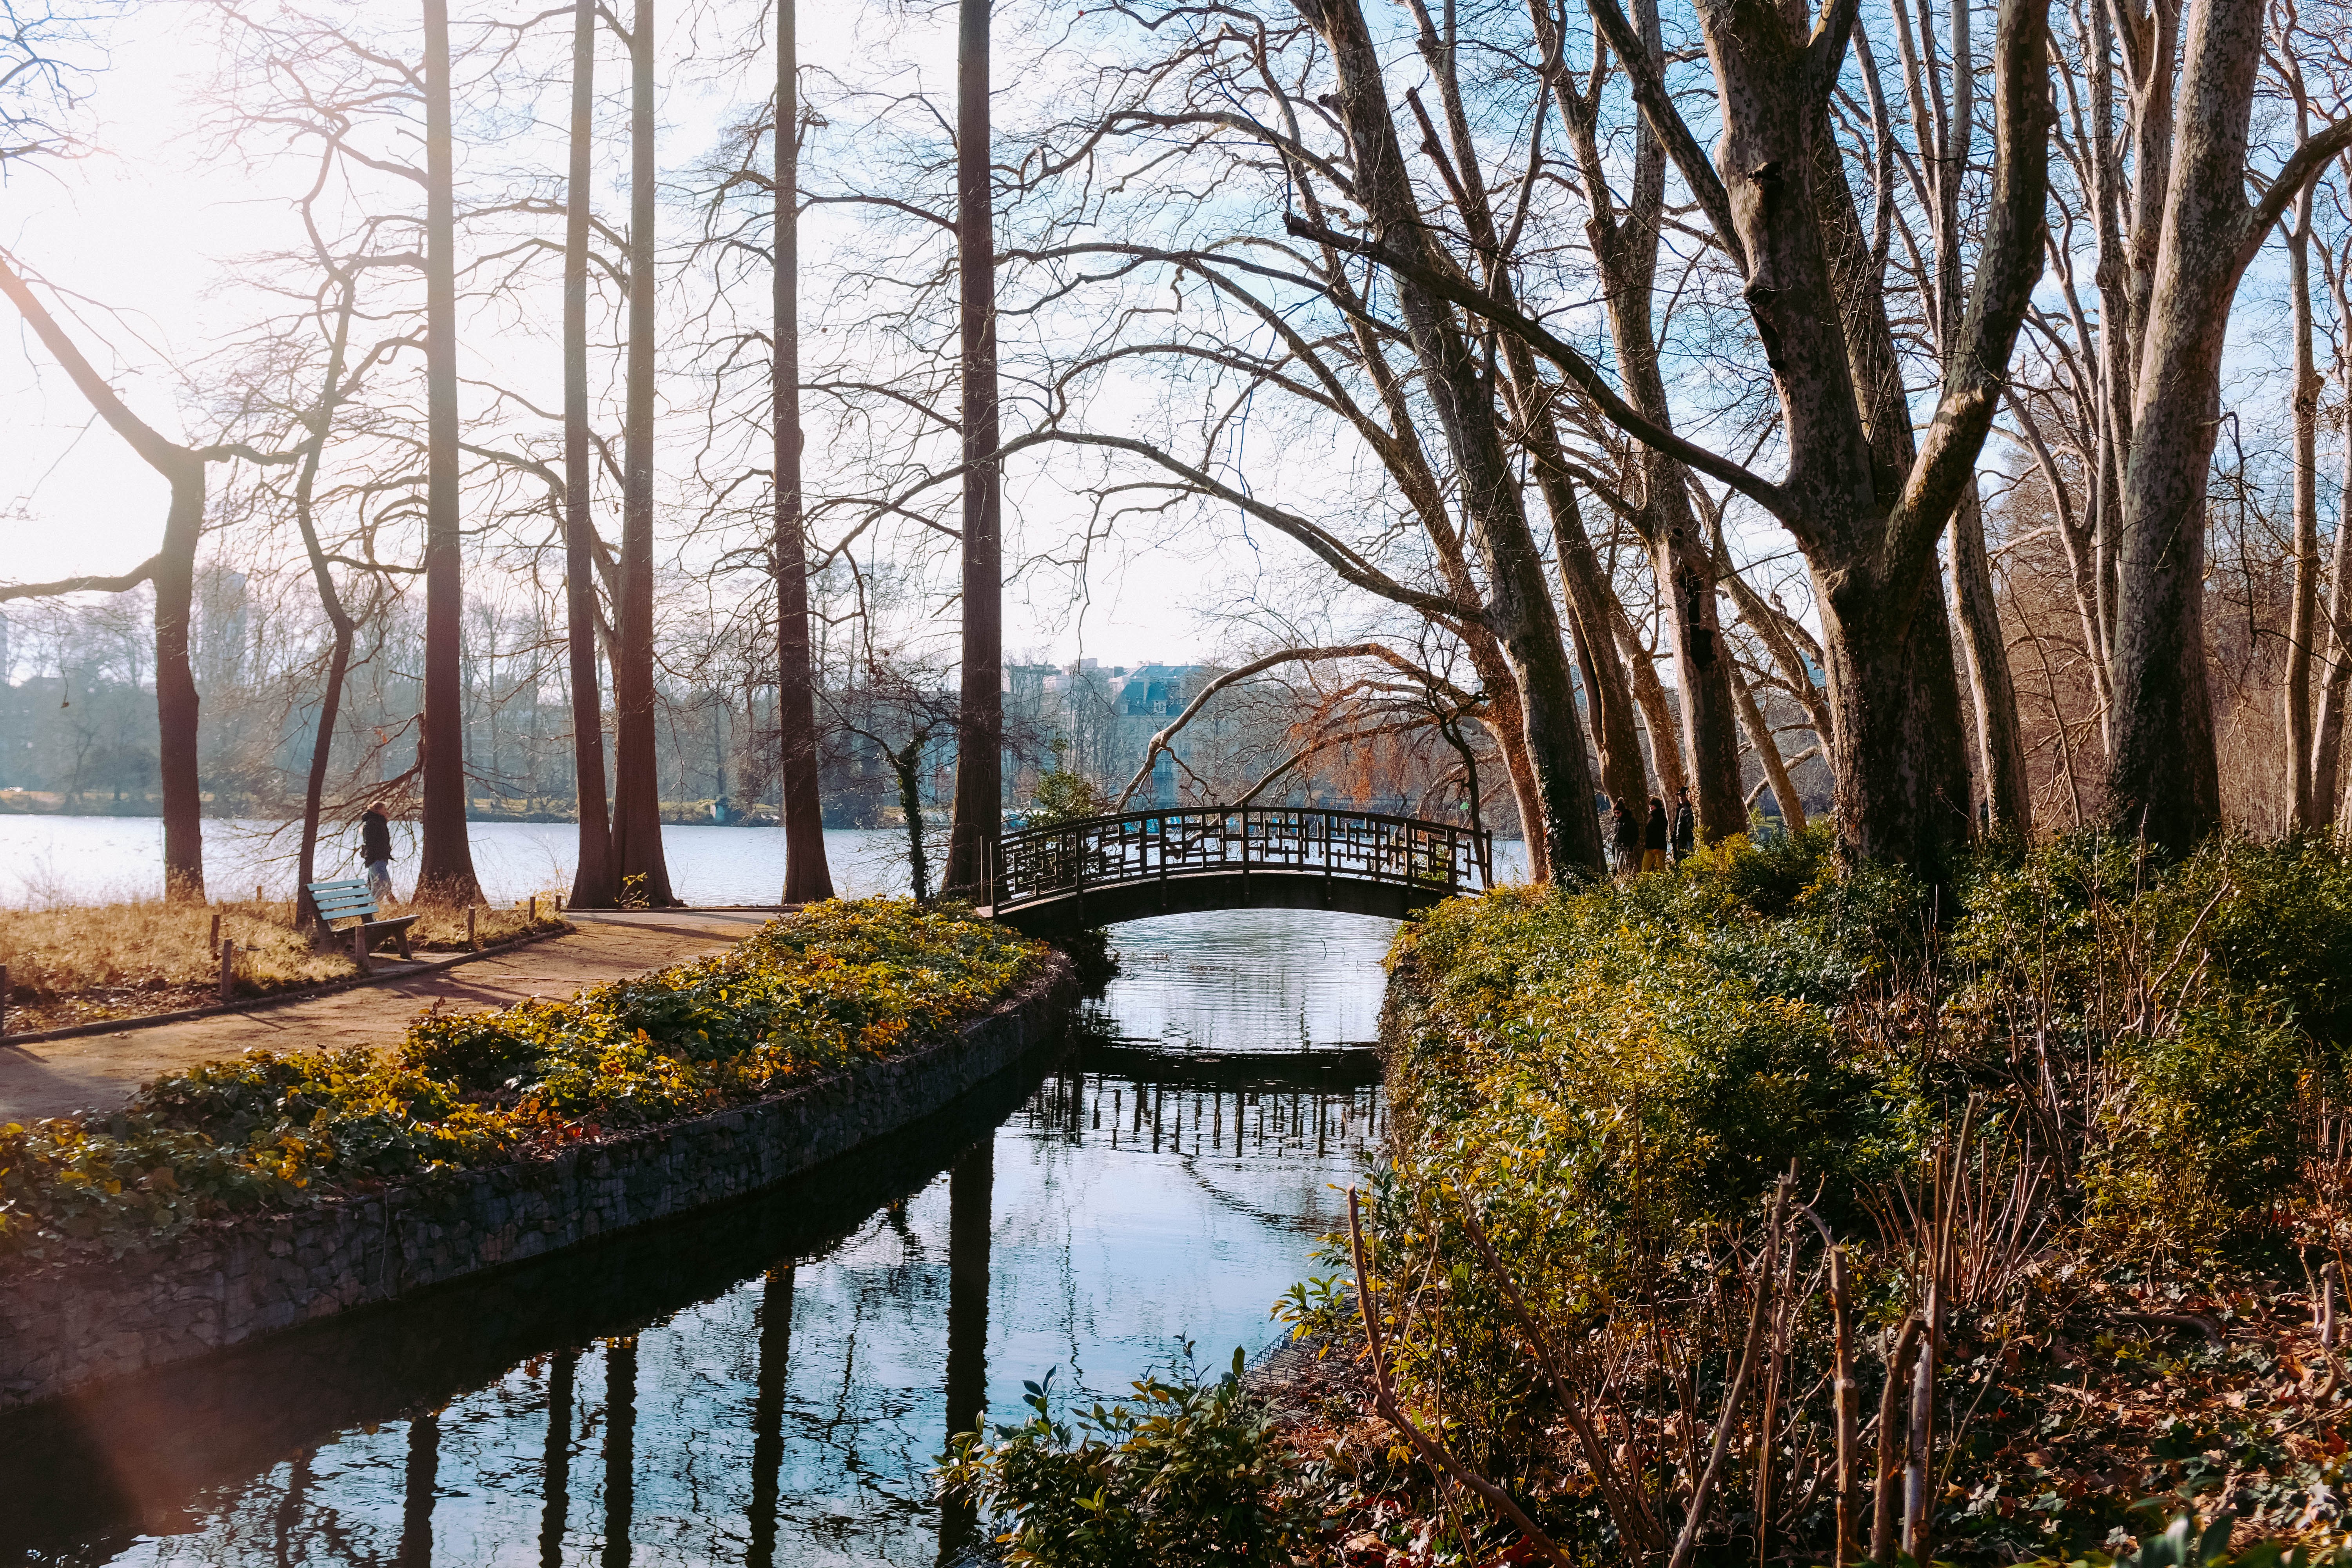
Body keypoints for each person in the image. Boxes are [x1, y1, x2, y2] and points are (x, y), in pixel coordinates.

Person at [360, 802, 394, 904]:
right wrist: (381, 853)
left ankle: (371, 911)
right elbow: (371, 843)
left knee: (376, 888)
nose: (386, 811)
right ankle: (373, 909)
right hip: (376, 859)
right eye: (384, 809)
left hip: (380, 859)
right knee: (385, 885)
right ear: (378, 810)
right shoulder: (372, 823)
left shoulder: (378, 822)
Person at [1609, 796, 1640, 876]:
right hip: (1617, 847)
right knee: (1618, 867)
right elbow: (1615, 836)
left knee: (1620, 867)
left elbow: (1635, 835)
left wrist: (1630, 847)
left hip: (1625, 848)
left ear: (1622, 812)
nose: (1616, 815)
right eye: (1615, 813)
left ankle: (1625, 882)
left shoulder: (1630, 821)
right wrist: (1613, 847)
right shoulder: (1616, 822)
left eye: (1618, 813)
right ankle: (1622, 881)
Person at [1642, 797, 1670, 873]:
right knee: (1644, 869)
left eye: (1652, 805)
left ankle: (1667, 882)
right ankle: (1644, 883)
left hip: (1659, 848)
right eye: (1650, 805)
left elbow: (1661, 834)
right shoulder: (1652, 818)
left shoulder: (1662, 819)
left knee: (1661, 869)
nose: (1650, 807)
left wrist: (1657, 847)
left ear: (1657, 806)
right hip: (1649, 848)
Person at [1671, 787, 1695, 862]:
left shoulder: (1688, 809)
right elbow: (1678, 826)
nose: (1681, 798)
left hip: (1689, 839)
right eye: (1679, 796)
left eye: (1683, 796)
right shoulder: (1680, 809)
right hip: (1684, 839)